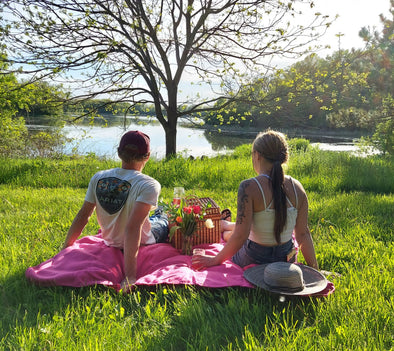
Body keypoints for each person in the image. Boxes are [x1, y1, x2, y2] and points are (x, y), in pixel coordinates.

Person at [192, 129, 319, 271]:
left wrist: (215, 260)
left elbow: (241, 235)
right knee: (234, 234)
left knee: (233, 236)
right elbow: (302, 234)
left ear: (257, 155)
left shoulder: (248, 187)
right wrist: (315, 270)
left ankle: (225, 226)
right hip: (286, 259)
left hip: (254, 258)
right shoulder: (298, 187)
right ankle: (226, 226)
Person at [62, 130, 168, 292]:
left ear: (119, 153)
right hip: (144, 240)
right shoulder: (149, 184)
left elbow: (84, 215)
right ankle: (164, 212)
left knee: (156, 212)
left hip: (110, 239)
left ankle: (160, 210)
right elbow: (133, 228)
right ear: (147, 156)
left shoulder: (99, 177)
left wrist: (66, 246)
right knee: (165, 217)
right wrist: (130, 276)